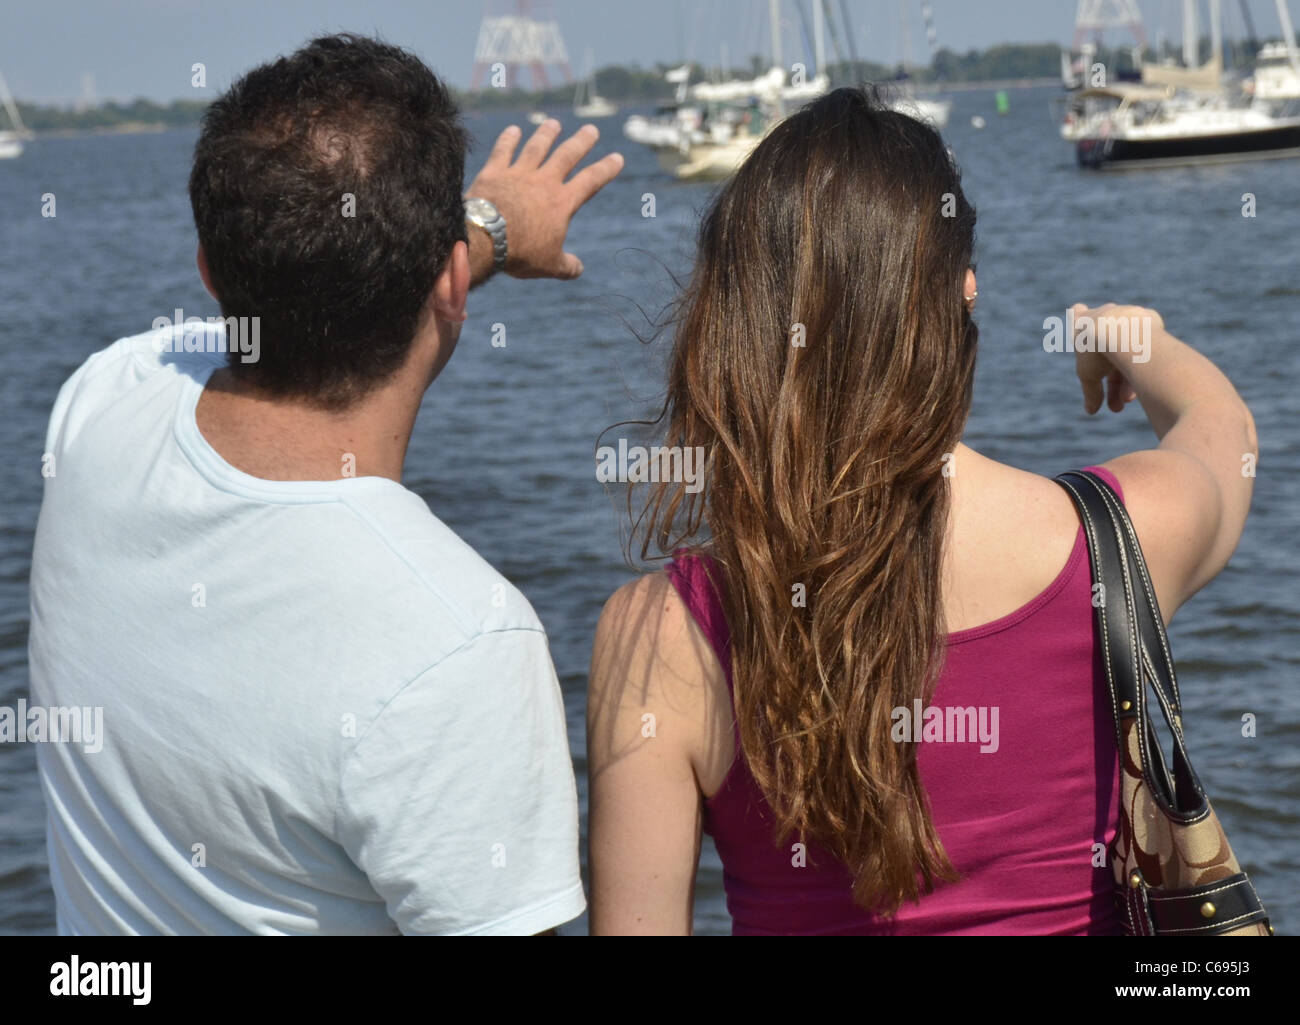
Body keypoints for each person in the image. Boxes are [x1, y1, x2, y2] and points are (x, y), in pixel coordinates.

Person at [586, 87, 1257, 935]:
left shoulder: (662, 639)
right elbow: (1223, 433)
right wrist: (1130, 338)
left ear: (735, 319)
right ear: (963, 291)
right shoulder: (1110, 549)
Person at [29, 33, 623, 934]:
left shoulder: (102, 403)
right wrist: (485, 230)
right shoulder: (461, 643)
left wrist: (481, 235)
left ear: (207, 273)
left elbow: (296, 286)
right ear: (454, 282)